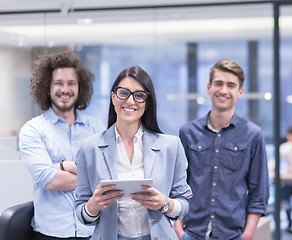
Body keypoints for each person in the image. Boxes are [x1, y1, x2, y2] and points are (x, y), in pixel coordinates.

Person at [75, 66, 192, 240]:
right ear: (113, 97)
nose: (130, 101)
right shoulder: (89, 149)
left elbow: (184, 203)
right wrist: (93, 205)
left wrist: (164, 203)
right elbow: (82, 213)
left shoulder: (171, 146)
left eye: (139, 95)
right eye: (123, 93)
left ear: (147, 104)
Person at [174, 59, 269, 240]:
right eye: (219, 83)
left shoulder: (253, 134)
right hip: (192, 233)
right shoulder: (188, 132)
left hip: (234, 234)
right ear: (209, 87)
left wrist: (247, 234)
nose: (224, 90)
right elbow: (178, 185)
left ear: (240, 92)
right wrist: (179, 231)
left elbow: (259, 192)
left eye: (231, 85)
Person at [19, 50, 105, 240]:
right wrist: (91, 178)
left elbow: (108, 176)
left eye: (71, 83)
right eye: (58, 83)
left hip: (93, 231)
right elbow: (49, 181)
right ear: (47, 88)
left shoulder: (96, 128)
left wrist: (63, 166)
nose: (65, 89)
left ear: (80, 88)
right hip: (51, 233)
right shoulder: (33, 130)